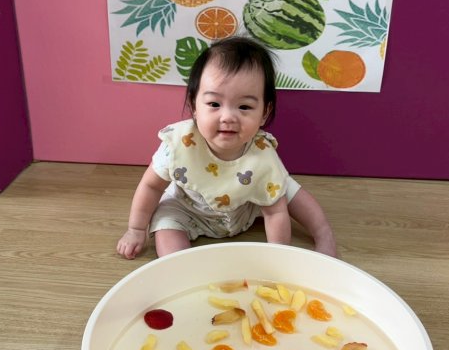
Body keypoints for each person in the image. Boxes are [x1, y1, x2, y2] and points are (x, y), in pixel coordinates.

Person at [116, 36, 338, 259]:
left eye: (244, 107)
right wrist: (136, 229)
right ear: (194, 106)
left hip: (245, 206)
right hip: (189, 208)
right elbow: (151, 186)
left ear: (264, 113)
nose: (228, 117)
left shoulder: (263, 155)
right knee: (166, 222)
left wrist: (278, 256)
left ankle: (323, 232)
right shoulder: (178, 146)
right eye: (214, 104)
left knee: (284, 189)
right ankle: (180, 264)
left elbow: (275, 214)